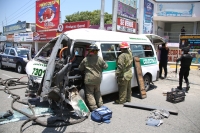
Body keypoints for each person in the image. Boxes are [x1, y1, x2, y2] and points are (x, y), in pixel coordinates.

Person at [78, 43, 108, 111]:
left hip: (89, 80)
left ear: (89, 51)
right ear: (96, 51)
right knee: (97, 92)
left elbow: (80, 68)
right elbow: (106, 67)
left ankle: (94, 108)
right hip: (98, 79)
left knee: (89, 93)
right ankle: (100, 105)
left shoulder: (85, 59)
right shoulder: (100, 59)